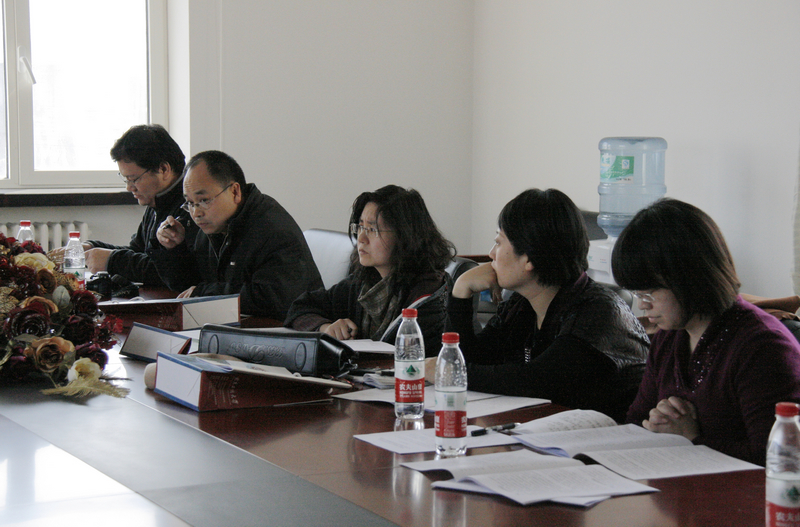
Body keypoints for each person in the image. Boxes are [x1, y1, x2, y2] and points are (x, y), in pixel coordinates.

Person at [613, 198, 800, 465]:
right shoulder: (669, 337)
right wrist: (653, 423)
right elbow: (636, 420)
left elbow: (775, 459)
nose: (643, 305)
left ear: (689, 277)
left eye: (650, 292)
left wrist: (692, 439)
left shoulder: (762, 347)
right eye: (637, 293)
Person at [441, 188, 649, 422]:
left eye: (498, 242)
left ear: (529, 258)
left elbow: (539, 381)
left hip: (618, 439)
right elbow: (474, 358)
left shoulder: (599, 310)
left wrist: (451, 373)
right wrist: (461, 291)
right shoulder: (522, 304)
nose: (491, 254)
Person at [284, 185, 454, 356]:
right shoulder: (364, 283)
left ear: (405, 236)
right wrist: (326, 328)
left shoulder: (429, 297)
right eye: (360, 227)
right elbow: (300, 308)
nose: (361, 238)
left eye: (372, 230)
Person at [151, 150, 323, 319]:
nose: (196, 213)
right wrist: (175, 249)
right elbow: (192, 286)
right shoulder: (214, 225)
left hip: (292, 328)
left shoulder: (273, 229)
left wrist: (206, 294)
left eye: (204, 200)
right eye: (189, 203)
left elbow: (275, 299)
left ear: (235, 192)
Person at [50, 124, 190, 285]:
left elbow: (170, 273)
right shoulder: (157, 201)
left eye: (133, 179)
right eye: (126, 179)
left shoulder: (190, 206)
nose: (129, 188)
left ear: (164, 169)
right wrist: (91, 247)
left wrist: (112, 260)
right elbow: (137, 252)